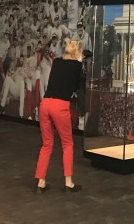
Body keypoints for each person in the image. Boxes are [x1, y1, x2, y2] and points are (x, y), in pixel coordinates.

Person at [34, 37, 84, 193]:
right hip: (60, 106)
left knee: (47, 144)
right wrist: (80, 62)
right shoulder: (77, 65)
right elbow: (76, 86)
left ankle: (40, 182)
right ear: (77, 52)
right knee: (67, 144)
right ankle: (68, 182)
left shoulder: (56, 62)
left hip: (45, 103)